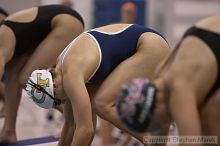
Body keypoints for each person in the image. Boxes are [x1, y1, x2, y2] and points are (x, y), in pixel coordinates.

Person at [25, 23, 170, 145]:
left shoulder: (71, 74)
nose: (61, 102)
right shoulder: (62, 68)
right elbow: (71, 123)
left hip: (150, 46)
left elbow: (86, 130)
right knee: (96, 104)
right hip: (144, 42)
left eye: (56, 100)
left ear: (54, 87)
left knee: (102, 104)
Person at [116, 14, 220, 146]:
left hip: (211, 38)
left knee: (211, 119)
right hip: (208, 37)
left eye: (153, 125)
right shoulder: (159, 83)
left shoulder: (179, 91)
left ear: (155, 110)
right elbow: (157, 137)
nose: (155, 129)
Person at [0, 4, 84, 144]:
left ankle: (78, 119)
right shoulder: (10, 42)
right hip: (48, 27)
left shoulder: (3, 36)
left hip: (66, 22)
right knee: (12, 75)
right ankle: (8, 131)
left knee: (27, 78)